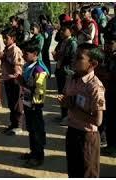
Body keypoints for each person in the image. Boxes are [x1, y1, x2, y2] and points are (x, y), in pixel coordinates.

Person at [58, 43, 105, 177]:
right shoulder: (73, 78)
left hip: (87, 137)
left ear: (93, 64)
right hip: (72, 131)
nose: (74, 60)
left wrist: (71, 106)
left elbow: (98, 121)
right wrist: (66, 102)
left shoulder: (95, 87)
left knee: (87, 173)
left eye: (79, 58)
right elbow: (69, 98)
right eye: (74, 56)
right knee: (73, 172)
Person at [20, 41, 49, 168]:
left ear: (35, 54)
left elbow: (39, 90)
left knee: (37, 131)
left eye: (25, 53)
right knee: (31, 129)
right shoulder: (28, 66)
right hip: (28, 103)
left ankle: (39, 156)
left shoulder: (39, 70)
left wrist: (22, 83)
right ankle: (33, 152)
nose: (22, 56)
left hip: (35, 105)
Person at [0, 28, 24, 136]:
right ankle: (13, 124)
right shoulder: (7, 49)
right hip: (7, 78)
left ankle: (18, 125)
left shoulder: (15, 50)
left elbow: (16, 68)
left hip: (15, 80)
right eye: (3, 38)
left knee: (17, 103)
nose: (4, 40)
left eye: (6, 38)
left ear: (13, 39)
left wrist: (4, 59)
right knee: (11, 103)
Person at [53, 23, 78, 126]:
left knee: (67, 94)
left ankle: (68, 117)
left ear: (70, 31)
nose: (61, 32)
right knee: (61, 93)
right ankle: (63, 115)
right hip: (60, 70)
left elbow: (72, 59)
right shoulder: (62, 42)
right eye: (61, 30)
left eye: (64, 30)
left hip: (67, 71)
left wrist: (59, 55)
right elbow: (57, 53)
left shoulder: (73, 43)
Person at [99, 32, 116, 156]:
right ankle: (109, 143)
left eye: (111, 43)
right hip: (107, 91)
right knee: (107, 119)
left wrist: (109, 75)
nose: (108, 46)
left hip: (113, 92)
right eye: (107, 43)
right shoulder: (107, 56)